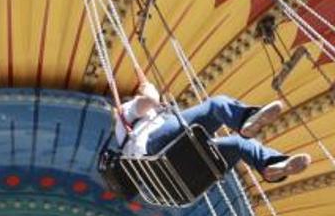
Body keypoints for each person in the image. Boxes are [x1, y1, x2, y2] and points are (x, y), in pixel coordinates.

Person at [114, 77, 309, 182]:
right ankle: (244, 120)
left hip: (178, 171)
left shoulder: (153, 119)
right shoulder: (125, 112)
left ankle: (270, 165)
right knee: (216, 106)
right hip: (155, 151)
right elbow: (150, 101)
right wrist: (149, 90)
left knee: (241, 143)